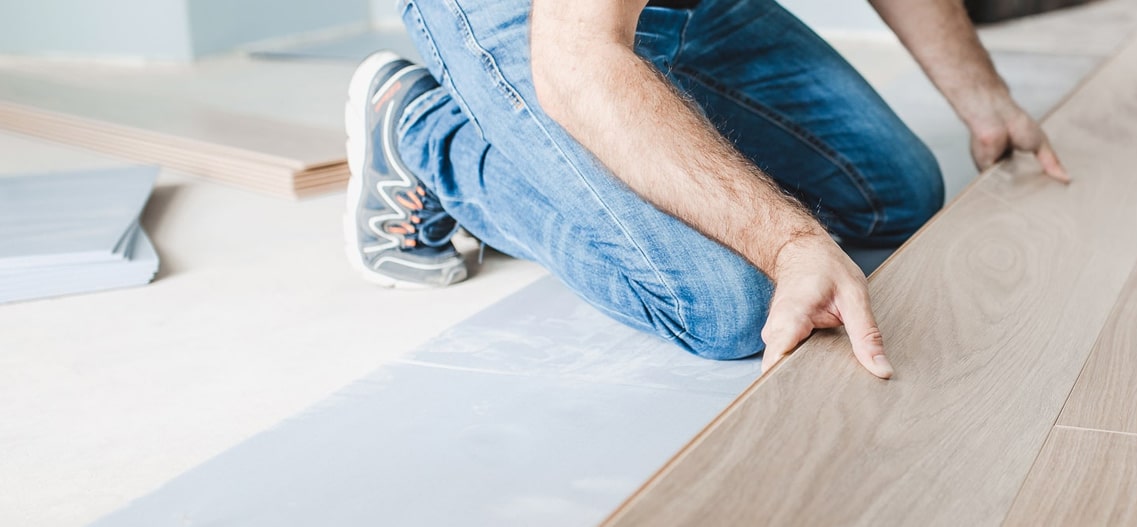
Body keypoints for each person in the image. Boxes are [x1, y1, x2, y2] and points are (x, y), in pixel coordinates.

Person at [343, 0, 1069, 380]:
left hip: (681, 5)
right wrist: (788, 240)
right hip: (531, 16)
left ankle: (637, 106)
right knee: (725, 305)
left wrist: (985, 99)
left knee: (897, 191)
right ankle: (423, 127)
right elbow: (576, 57)